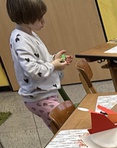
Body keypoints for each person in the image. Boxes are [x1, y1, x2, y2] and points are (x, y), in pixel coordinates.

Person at [6, 0, 72, 128]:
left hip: (45, 94)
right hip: (39, 99)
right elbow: (33, 71)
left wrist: (54, 58)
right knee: (65, 128)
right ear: (25, 17)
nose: (43, 21)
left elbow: (39, 59)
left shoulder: (30, 34)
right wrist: (53, 65)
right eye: (39, 17)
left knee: (63, 126)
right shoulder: (21, 40)